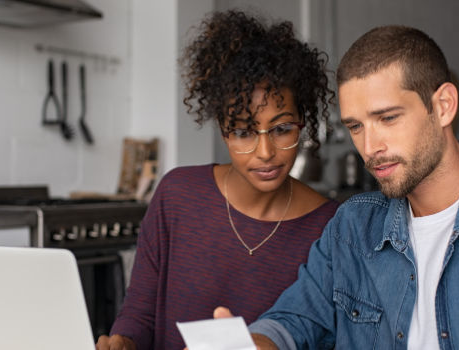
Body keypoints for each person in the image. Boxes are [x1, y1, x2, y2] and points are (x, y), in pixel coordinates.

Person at [217, 25, 459, 349]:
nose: (370, 147)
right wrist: (249, 344)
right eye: (356, 126)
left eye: (387, 118)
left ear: (444, 106)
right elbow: (292, 321)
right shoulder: (352, 225)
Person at [95, 10, 339, 350]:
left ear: (303, 122)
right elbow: (140, 313)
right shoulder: (177, 195)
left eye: (282, 129)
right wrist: (122, 342)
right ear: (223, 131)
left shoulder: (330, 227)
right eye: (243, 132)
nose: (265, 151)